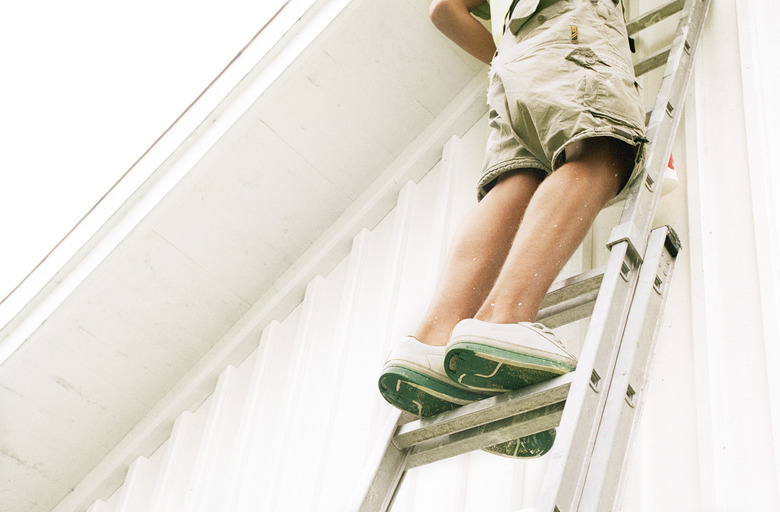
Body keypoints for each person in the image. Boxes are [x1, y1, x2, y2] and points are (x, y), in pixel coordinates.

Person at [378, 0, 647, 458]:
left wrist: (507, 56)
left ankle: (432, 341)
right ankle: (504, 319)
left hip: (513, 60)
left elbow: (445, 10)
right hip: (572, 26)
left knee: (517, 180)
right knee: (603, 151)